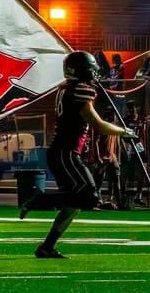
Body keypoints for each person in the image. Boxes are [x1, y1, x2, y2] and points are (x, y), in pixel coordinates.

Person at [19, 51, 137, 258]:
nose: (94, 74)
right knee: (89, 195)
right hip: (66, 152)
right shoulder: (79, 89)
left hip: (64, 152)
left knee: (74, 203)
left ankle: (47, 246)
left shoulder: (69, 88)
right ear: (83, 70)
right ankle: (38, 199)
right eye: (91, 70)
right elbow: (97, 124)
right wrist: (123, 132)